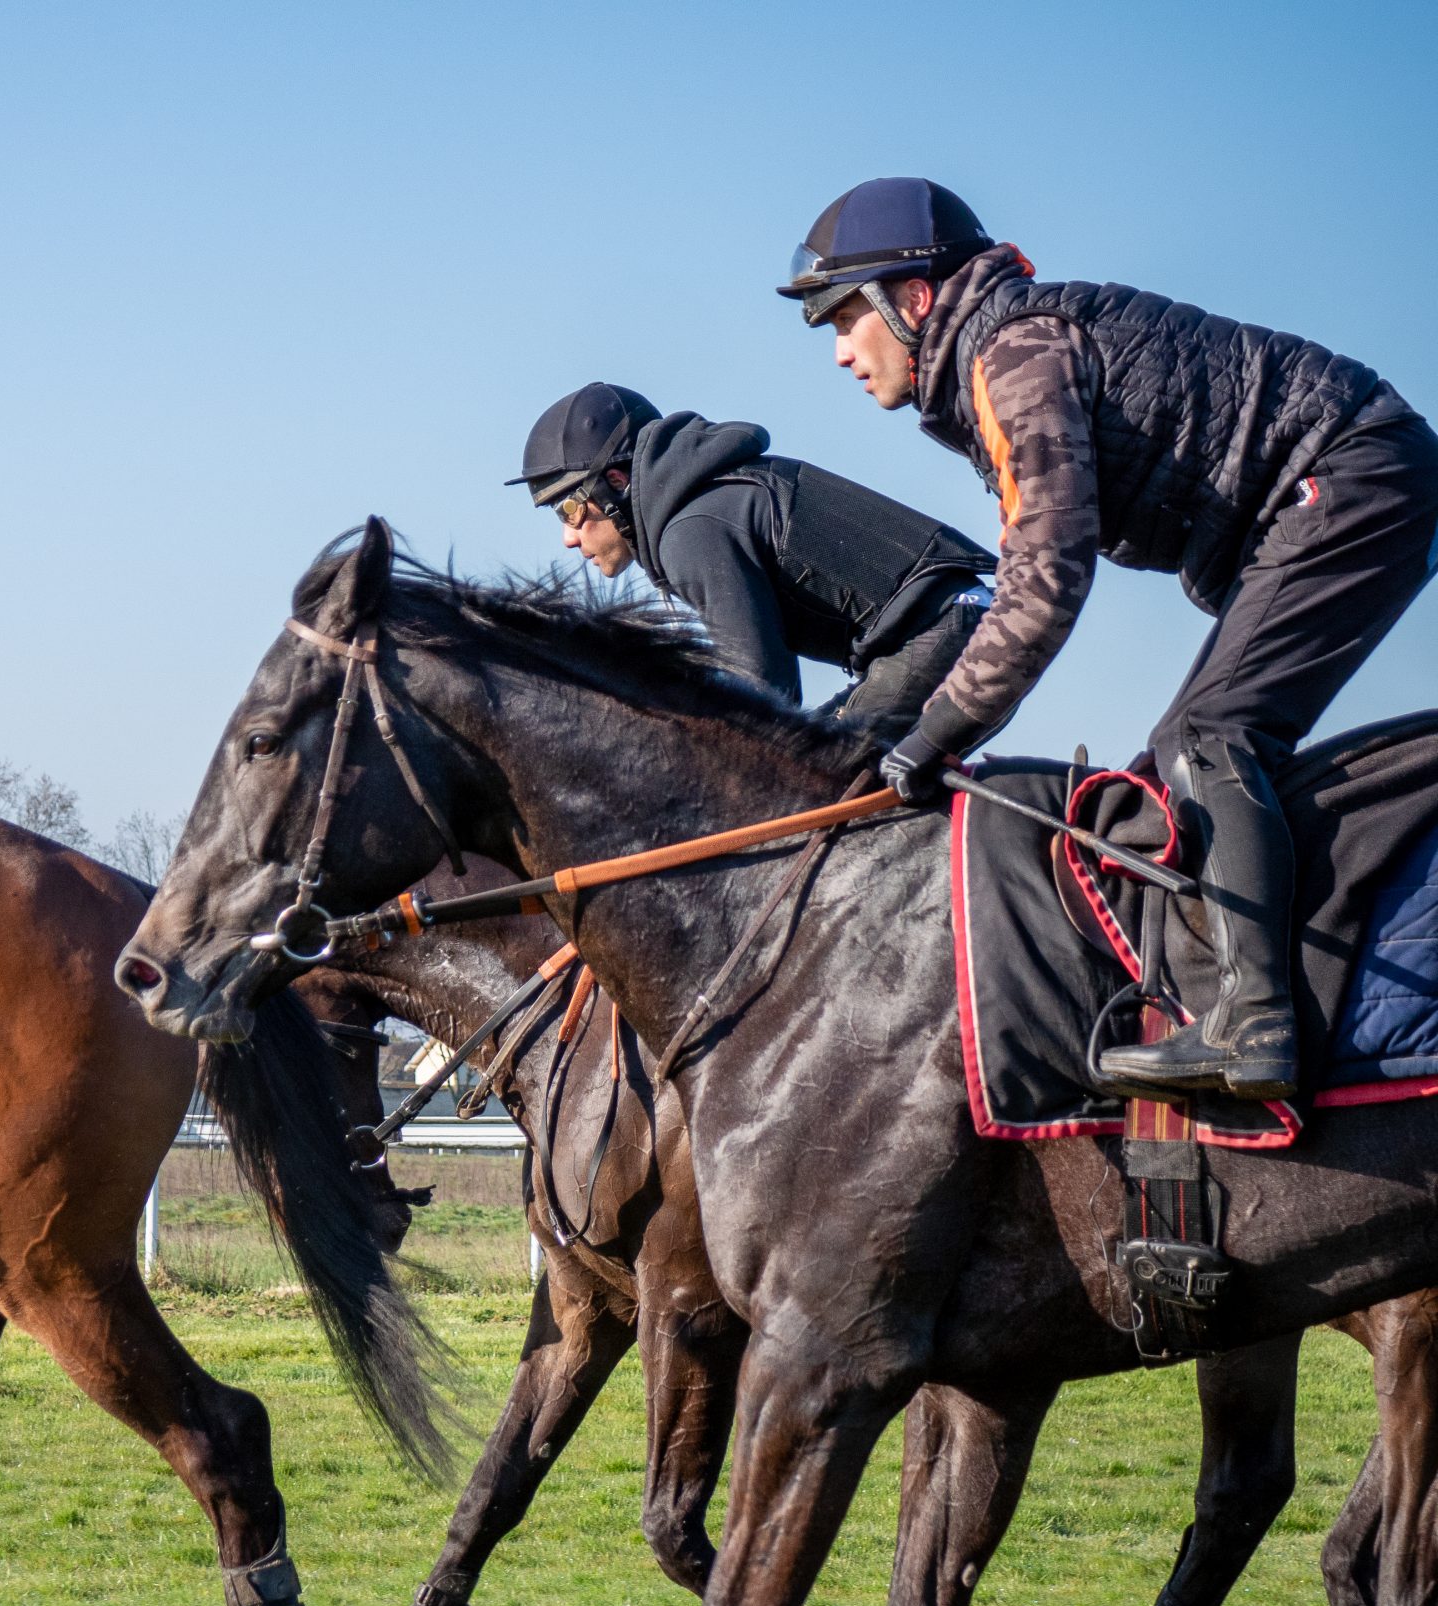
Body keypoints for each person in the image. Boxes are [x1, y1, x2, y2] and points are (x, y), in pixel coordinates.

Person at [782, 179, 1438, 1099]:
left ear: (915, 298)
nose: (842, 350)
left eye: (845, 318)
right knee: (1180, 757)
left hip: (1350, 474)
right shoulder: (996, 354)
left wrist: (933, 735)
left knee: (1207, 743)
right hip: (1347, 478)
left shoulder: (1013, 354)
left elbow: (1045, 582)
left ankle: (1258, 1024)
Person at [509, 383, 995, 737]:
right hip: (953, 627)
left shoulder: (690, 531)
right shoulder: (703, 504)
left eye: (570, 509)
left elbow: (763, 694)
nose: (569, 538)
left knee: (806, 789)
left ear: (616, 483)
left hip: (940, 634)